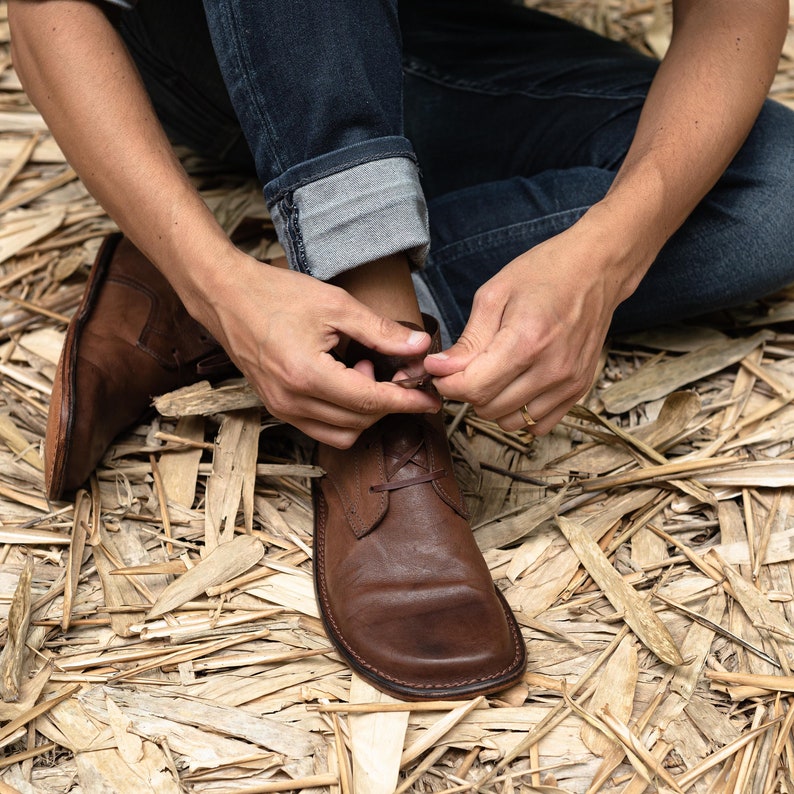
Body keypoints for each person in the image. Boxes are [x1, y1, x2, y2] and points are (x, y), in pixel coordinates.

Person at [8, 0, 793, 699]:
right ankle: (378, 378)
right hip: (219, 38)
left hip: (434, 35)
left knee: (776, 187)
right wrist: (214, 279)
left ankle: (215, 312)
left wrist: (612, 252)